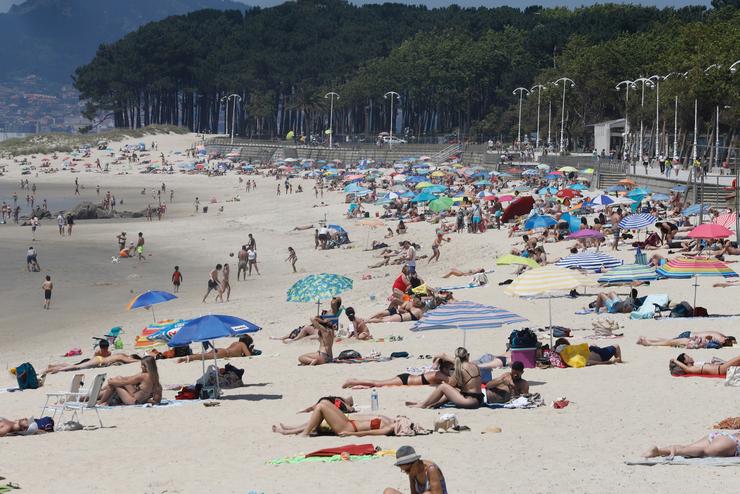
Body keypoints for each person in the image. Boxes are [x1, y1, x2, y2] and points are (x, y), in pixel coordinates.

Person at [406, 347, 482, 409]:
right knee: (454, 390)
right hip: (479, 399)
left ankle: (423, 405)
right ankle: (433, 403)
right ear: (467, 356)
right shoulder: (475, 365)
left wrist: (443, 378)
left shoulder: (460, 369)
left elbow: (451, 384)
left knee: (443, 387)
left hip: (469, 402)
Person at [272, 401, 395, 437]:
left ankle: (304, 433)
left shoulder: (389, 428)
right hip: (350, 422)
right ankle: (290, 430)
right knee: (324, 402)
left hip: (348, 428)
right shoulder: (389, 420)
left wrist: (350, 434)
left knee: (321, 408)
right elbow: (365, 418)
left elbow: (372, 433)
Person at [343, 359, 453, 389]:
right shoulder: (440, 375)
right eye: (450, 369)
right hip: (404, 380)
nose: (452, 371)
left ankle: (357, 383)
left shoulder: (440, 373)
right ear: (444, 368)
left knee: (378, 384)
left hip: (407, 378)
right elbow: (453, 383)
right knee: (378, 383)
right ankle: (352, 381)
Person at [97, 356, 162, 406]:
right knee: (119, 378)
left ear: (147, 366)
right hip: (136, 398)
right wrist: (146, 400)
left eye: (142, 365)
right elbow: (157, 401)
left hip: (132, 400)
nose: (141, 367)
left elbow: (126, 382)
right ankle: (100, 396)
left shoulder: (144, 376)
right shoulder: (155, 379)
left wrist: (111, 382)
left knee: (114, 384)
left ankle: (100, 402)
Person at [383, 446, 448, 494]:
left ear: (415, 463)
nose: (407, 473)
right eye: (404, 471)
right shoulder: (412, 473)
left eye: (407, 470)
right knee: (388, 491)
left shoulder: (431, 470)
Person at [643, 432, 740, 459]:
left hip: (722, 435)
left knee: (688, 448)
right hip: (733, 443)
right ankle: (675, 451)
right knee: (703, 452)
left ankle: (658, 451)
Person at [177, 335, 255, 363]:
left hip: (221, 350)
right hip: (223, 353)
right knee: (204, 357)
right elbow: (248, 356)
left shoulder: (236, 343)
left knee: (204, 355)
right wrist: (250, 350)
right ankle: (186, 358)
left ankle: (190, 357)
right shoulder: (243, 345)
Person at [44, 354, 142, 374]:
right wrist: (140, 361)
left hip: (99, 359)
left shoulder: (121, 354)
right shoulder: (124, 357)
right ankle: (57, 370)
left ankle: (53, 367)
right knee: (77, 367)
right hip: (99, 361)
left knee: (76, 365)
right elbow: (129, 361)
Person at [638, 332, 736, 349]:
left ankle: (646, 339)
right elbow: (708, 338)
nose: (725, 344)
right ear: (727, 339)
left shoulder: (719, 335)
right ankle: (647, 342)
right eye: (727, 343)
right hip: (690, 338)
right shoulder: (720, 339)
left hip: (689, 335)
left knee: (669, 340)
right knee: (668, 342)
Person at [669, 353, 740, 376]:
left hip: (721, 368)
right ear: (685, 362)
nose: (690, 357)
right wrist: (674, 360)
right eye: (688, 357)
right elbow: (685, 367)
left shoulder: (694, 367)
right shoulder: (690, 369)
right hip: (721, 369)